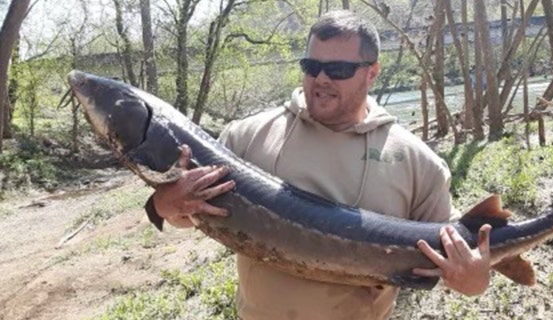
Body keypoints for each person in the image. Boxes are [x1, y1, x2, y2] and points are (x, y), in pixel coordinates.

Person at [145, 10, 492, 320]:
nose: (321, 79)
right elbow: (191, 215)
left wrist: (474, 281)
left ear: (372, 73)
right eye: (312, 67)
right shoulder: (246, 136)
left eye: (338, 70)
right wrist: (164, 204)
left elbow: (453, 261)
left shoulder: (419, 163)